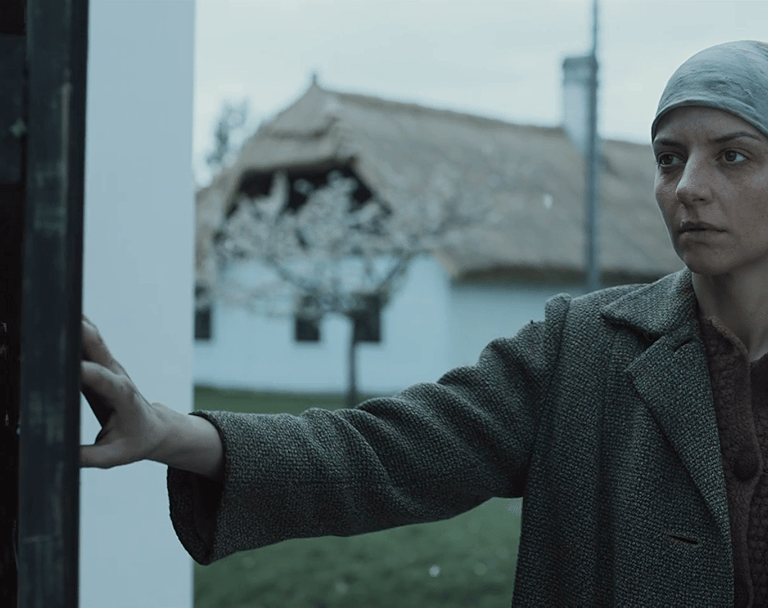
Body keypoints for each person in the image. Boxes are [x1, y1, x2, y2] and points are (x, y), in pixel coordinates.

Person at [80, 40, 768, 606]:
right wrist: (171, 434)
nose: (687, 186)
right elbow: (386, 453)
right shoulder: (585, 349)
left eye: (731, 156)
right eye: (669, 159)